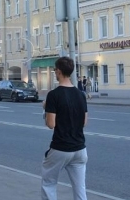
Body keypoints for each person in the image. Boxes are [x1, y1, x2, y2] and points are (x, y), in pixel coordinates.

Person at [42, 57, 88, 200]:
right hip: (80, 149)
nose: (55, 72)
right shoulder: (81, 95)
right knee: (80, 188)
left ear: (59, 71)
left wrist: (46, 109)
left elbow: (51, 124)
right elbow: (84, 122)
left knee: (49, 183)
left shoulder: (53, 95)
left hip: (61, 148)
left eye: (55, 70)